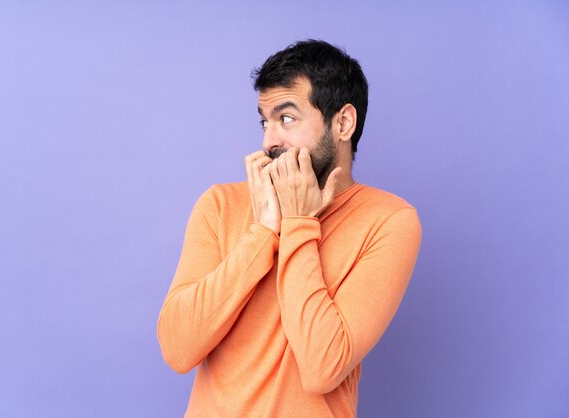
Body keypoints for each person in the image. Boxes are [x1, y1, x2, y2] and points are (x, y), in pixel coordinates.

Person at [157, 39, 422, 417]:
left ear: (343, 122)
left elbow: (322, 368)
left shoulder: (388, 220)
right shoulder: (220, 204)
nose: (269, 140)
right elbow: (178, 350)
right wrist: (264, 231)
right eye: (265, 121)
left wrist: (299, 224)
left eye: (287, 119)